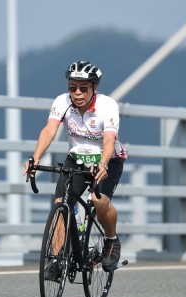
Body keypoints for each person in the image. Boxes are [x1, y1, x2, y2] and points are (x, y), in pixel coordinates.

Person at [23, 60, 128, 278]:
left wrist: (103, 163)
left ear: (94, 88)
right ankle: (56, 260)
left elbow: (109, 140)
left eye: (83, 88)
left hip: (108, 159)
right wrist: (35, 157)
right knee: (61, 204)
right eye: (72, 88)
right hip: (77, 159)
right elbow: (49, 130)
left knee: (99, 201)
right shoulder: (62, 102)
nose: (77, 93)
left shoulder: (107, 106)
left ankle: (111, 240)